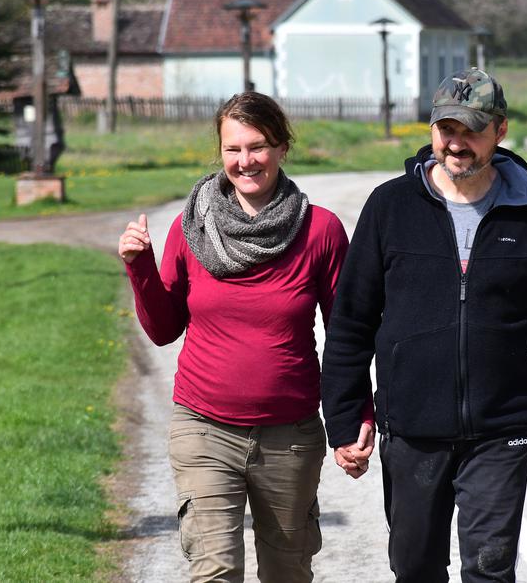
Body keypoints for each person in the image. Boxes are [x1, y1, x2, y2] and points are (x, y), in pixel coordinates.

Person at [321, 68, 527, 582]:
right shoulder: (389, 207)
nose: (456, 143)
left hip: (501, 429)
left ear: (500, 131)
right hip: (412, 429)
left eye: (471, 130)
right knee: (416, 568)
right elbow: (350, 322)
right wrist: (342, 420)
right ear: (431, 130)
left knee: (489, 570)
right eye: (446, 129)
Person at [118, 92, 363, 582]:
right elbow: (164, 329)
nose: (245, 161)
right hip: (203, 428)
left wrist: (354, 419)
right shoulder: (193, 227)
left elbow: (347, 337)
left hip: (289, 437)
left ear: (282, 148)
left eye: (258, 147)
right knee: (215, 572)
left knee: (287, 572)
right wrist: (140, 267)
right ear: (220, 151)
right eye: (233, 149)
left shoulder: (321, 231)